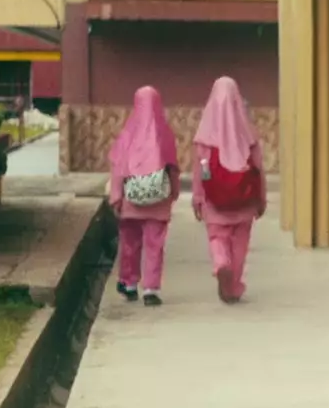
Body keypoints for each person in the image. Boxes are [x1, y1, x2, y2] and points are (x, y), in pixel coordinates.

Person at [191, 76, 267, 304]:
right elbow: (258, 170)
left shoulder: (204, 137)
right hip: (244, 201)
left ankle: (220, 262)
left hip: (214, 202)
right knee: (239, 245)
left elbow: (200, 171)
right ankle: (233, 286)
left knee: (218, 237)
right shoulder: (249, 135)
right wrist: (261, 199)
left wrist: (198, 198)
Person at [107, 85, 181, 308]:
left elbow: (118, 168)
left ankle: (129, 284)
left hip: (131, 200)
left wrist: (116, 197)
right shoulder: (164, 134)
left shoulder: (127, 134)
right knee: (154, 245)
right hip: (158, 201)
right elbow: (172, 168)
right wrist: (173, 193)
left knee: (130, 243)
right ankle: (151, 289)